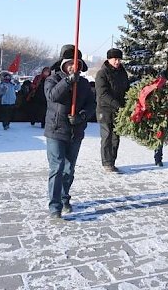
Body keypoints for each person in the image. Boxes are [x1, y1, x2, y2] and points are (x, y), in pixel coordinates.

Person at [44, 44, 95, 219]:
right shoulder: (52, 80)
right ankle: (55, 205)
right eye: (70, 63)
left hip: (75, 131)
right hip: (56, 130)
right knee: (57, 168)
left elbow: (91, 105)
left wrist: (81, 116)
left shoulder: (84, 84)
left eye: (77, 63)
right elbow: (52, 96)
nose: (74, 66)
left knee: (68, 170)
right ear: (63, 65)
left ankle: (65, 197)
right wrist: (67, 81)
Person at [95, 48, 130, 173]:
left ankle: (112, 161)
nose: (117, 62)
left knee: (116, 137)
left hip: (118, 110)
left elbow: (127, 88)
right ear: (109, 59)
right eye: (115, 59)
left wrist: (128, 103)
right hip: (105, 110)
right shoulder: (102, 73)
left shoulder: (122, 72)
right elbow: (102, 93)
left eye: (119, 59)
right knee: (107, 135)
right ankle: (107, 162)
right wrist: (118, 105)